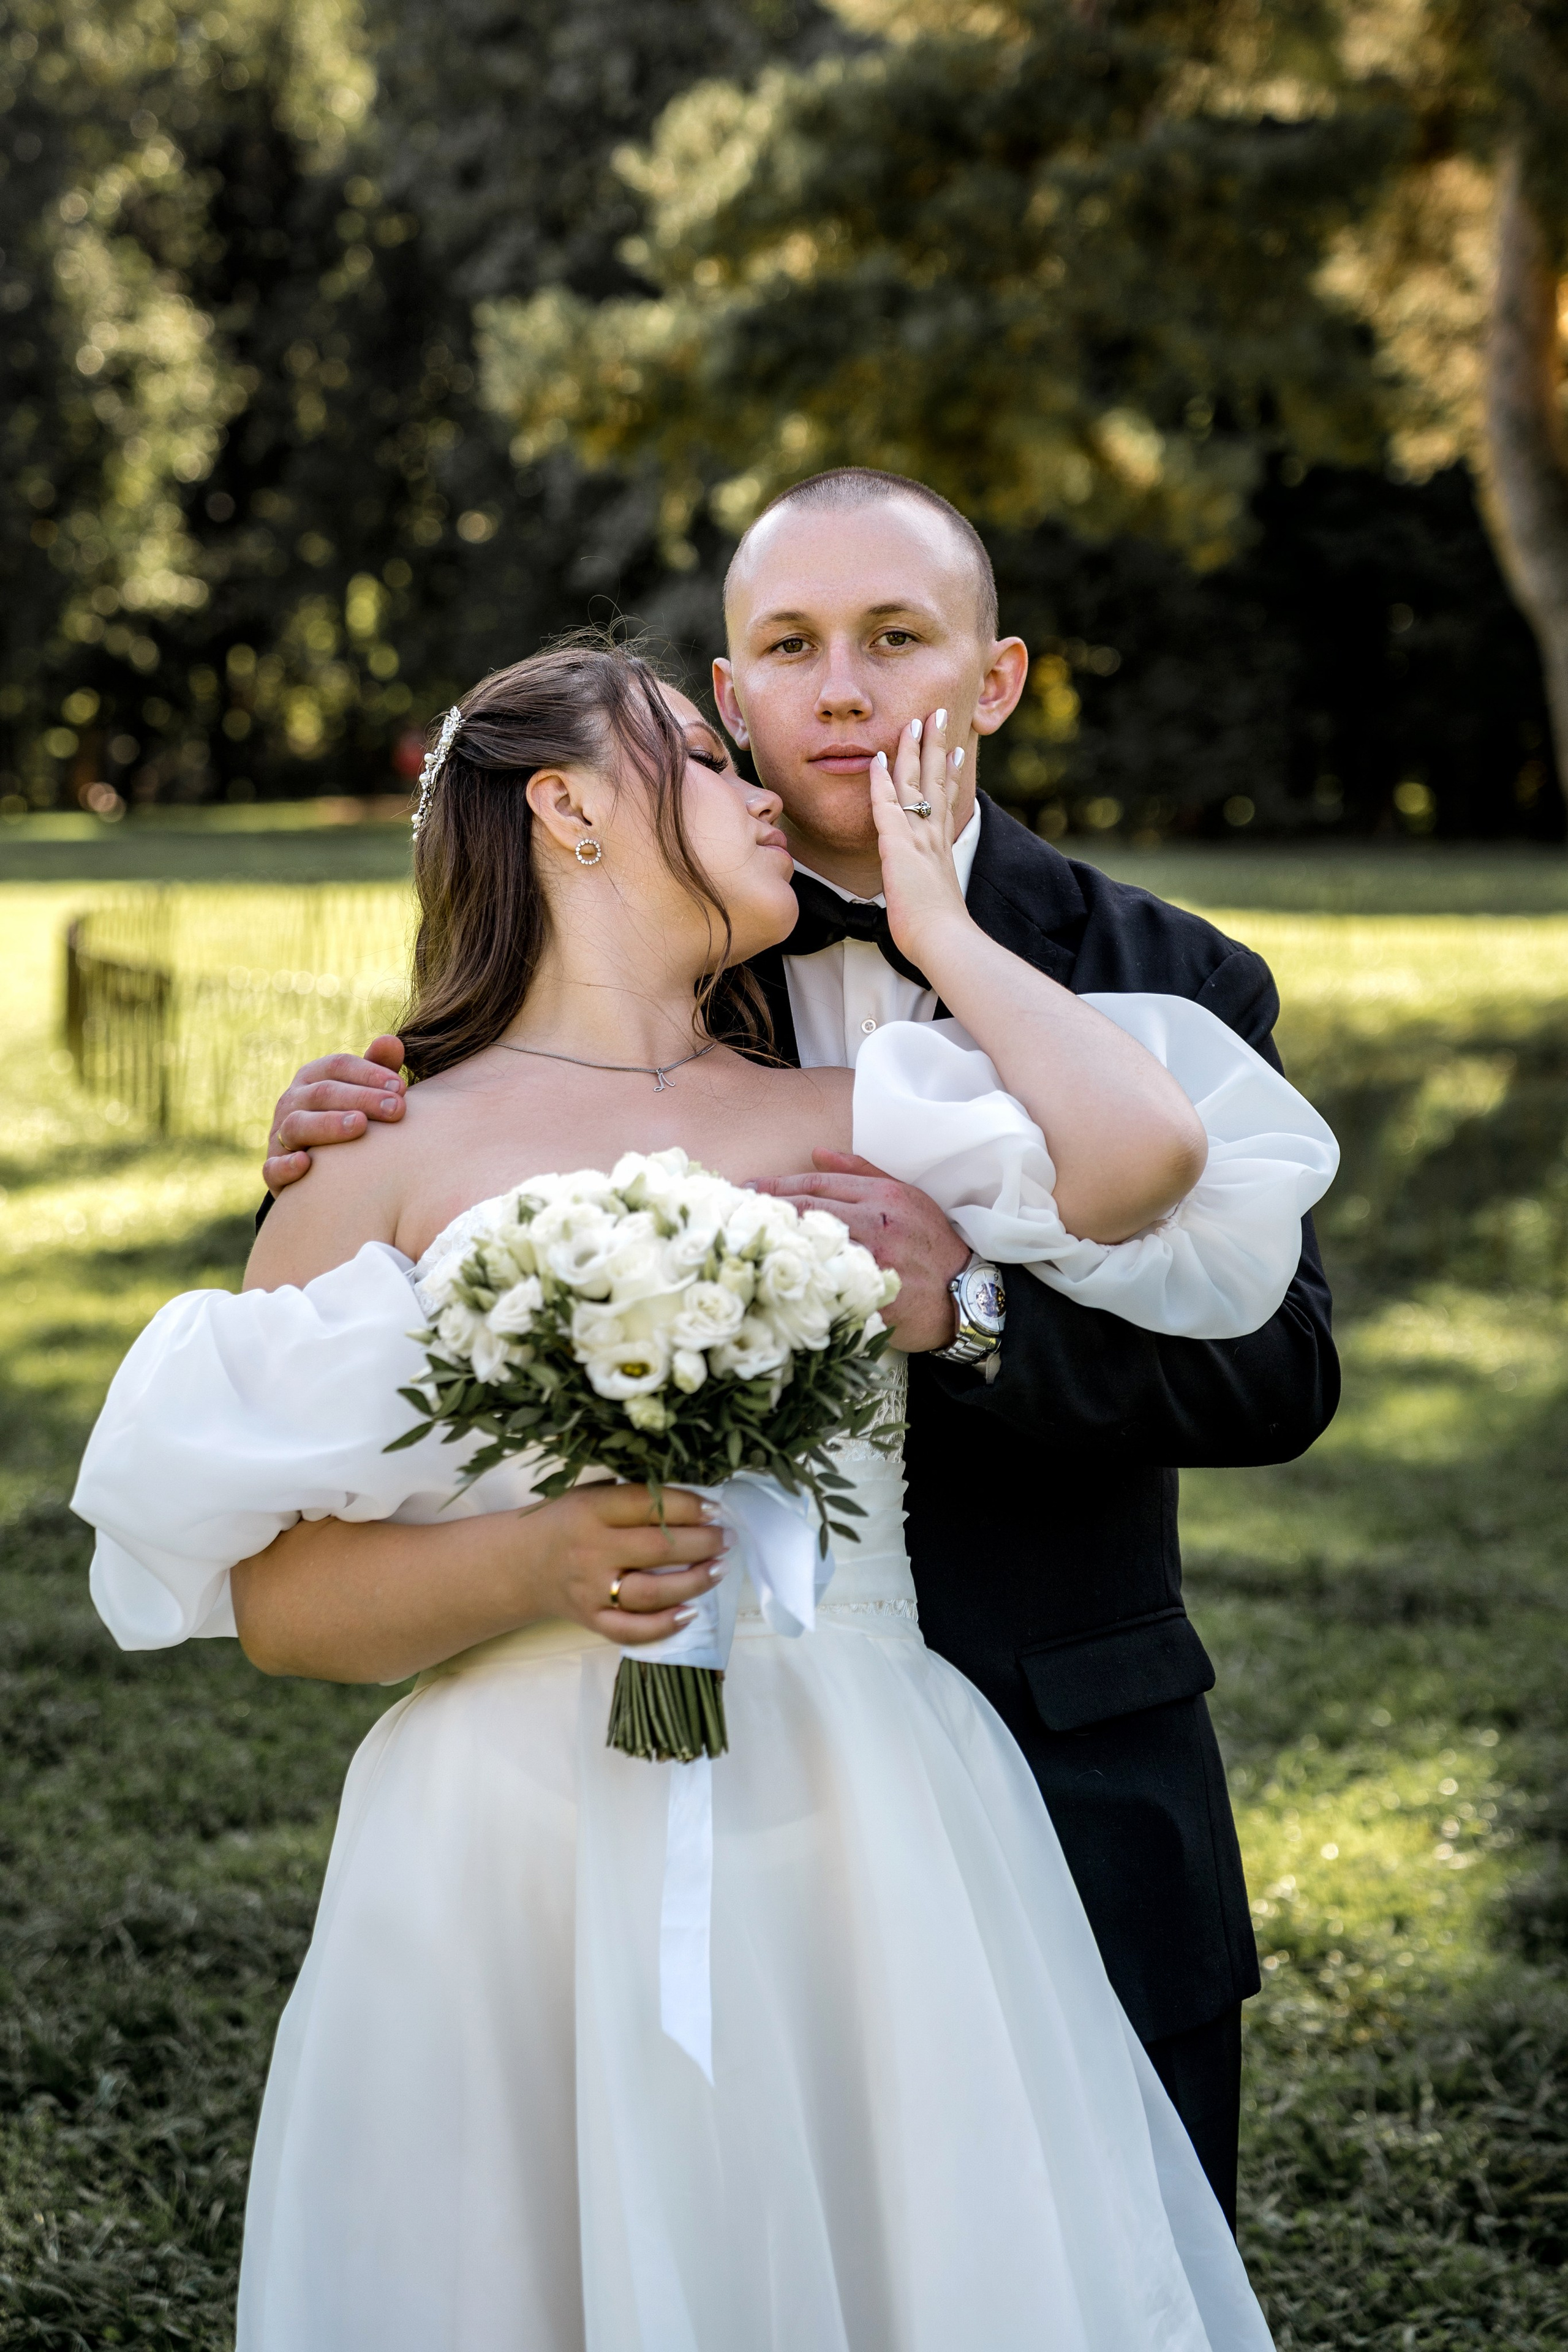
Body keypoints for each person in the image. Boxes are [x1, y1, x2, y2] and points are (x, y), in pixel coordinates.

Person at [74, 636, 1335, 2348]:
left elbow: (1153, 1160)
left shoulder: (866, 1109)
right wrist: (537, 1559)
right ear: (568, 808)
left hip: (870, 1817)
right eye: (700, 751)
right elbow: (285, 1612)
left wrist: (936, 926)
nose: (761, 787)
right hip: (508, 1848)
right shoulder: (376, 1148)